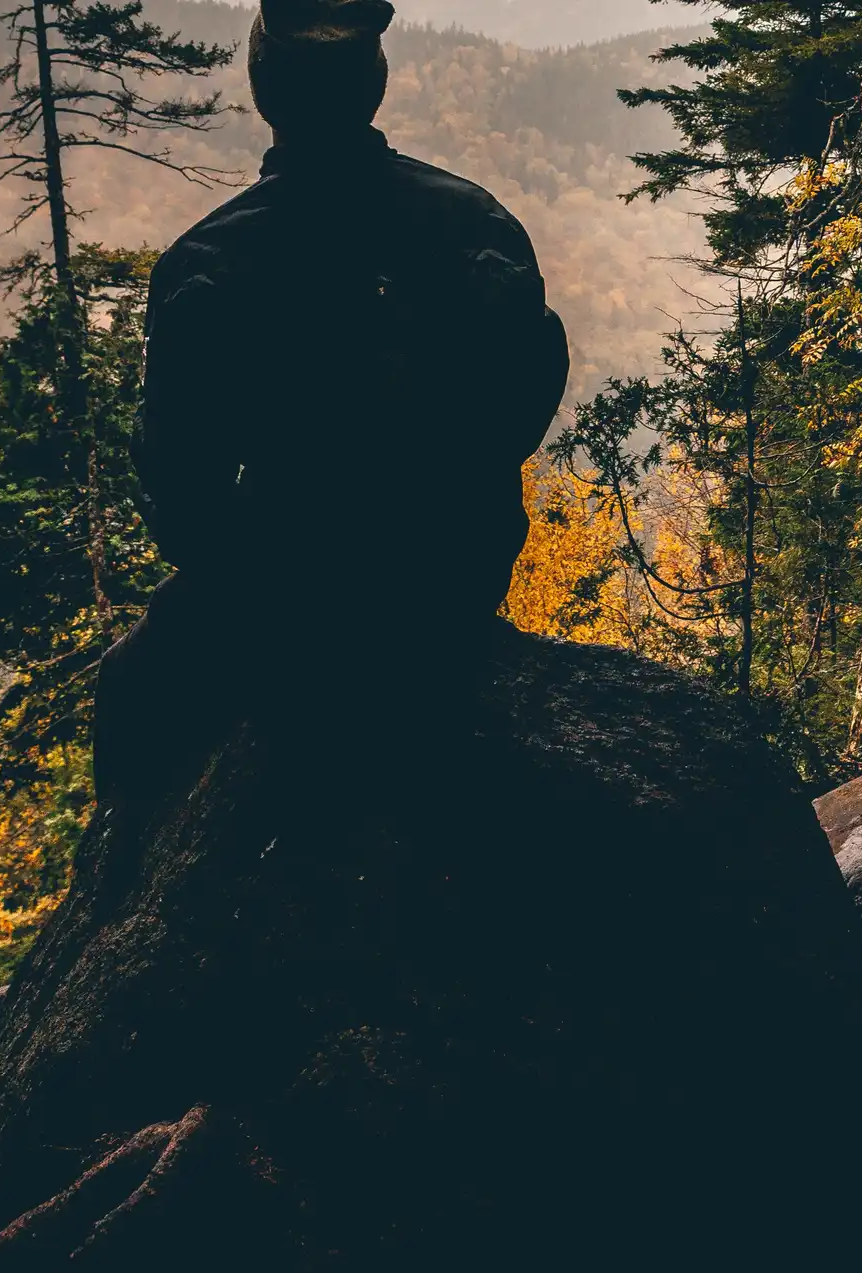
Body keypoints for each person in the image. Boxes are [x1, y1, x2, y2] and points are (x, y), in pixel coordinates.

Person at [96, 0, 570, 800]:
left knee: (130, 691)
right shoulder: (475, 223)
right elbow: (526, 396)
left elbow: (182, 503)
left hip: (286, 608)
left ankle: (127, 892)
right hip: (452, 581)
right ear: (374, 81)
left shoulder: (210, 262)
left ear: (262, 87)